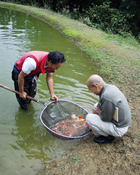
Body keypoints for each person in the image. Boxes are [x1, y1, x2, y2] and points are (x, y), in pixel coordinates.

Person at [86, 74, 131, 144]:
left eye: (90, 89)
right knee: (95, 106)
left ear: (96, 86)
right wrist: (97, 111)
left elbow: (105, 118)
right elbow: (100, 104)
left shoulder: (106, 97)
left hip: (119, 128)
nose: (91, 91)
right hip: (121, 121)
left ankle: (106, 137)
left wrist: (98, 113)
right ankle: (103, 130)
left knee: (89, 118)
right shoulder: (109, 88)